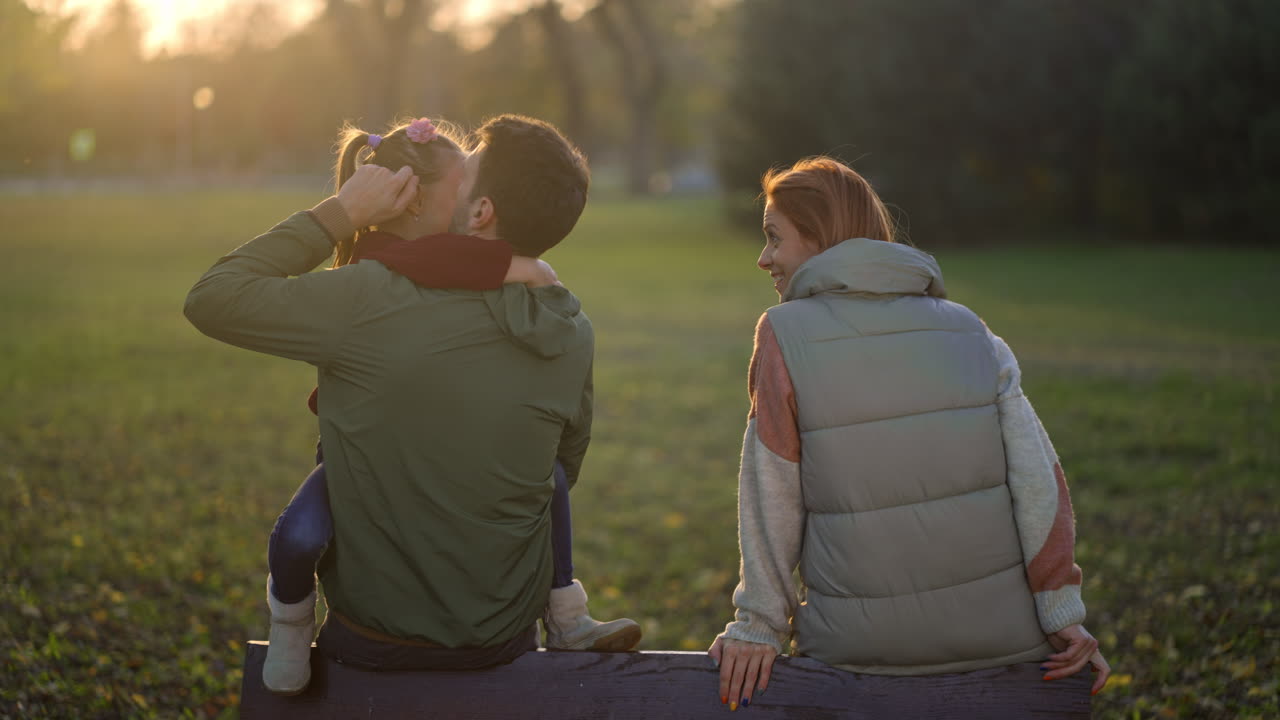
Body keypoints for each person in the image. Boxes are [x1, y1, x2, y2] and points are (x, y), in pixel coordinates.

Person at [184, 114, 639, 695]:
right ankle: (568, 613)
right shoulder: (572, 329)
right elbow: (560, 471)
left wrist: (340, 214)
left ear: (479, 214)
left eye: (465, 169)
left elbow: (213, 297)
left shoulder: (370, 299)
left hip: (376, 642)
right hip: (505, 636)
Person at [707, 157, 1111, 710]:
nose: (764, 258)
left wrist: (759, 625)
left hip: (852, 650)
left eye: (774, 239)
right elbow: (1042, 485)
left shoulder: (782, 335)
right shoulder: (973, 331)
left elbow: (769, 496)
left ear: (821, 236)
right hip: (998, 642)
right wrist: (1061, 613)